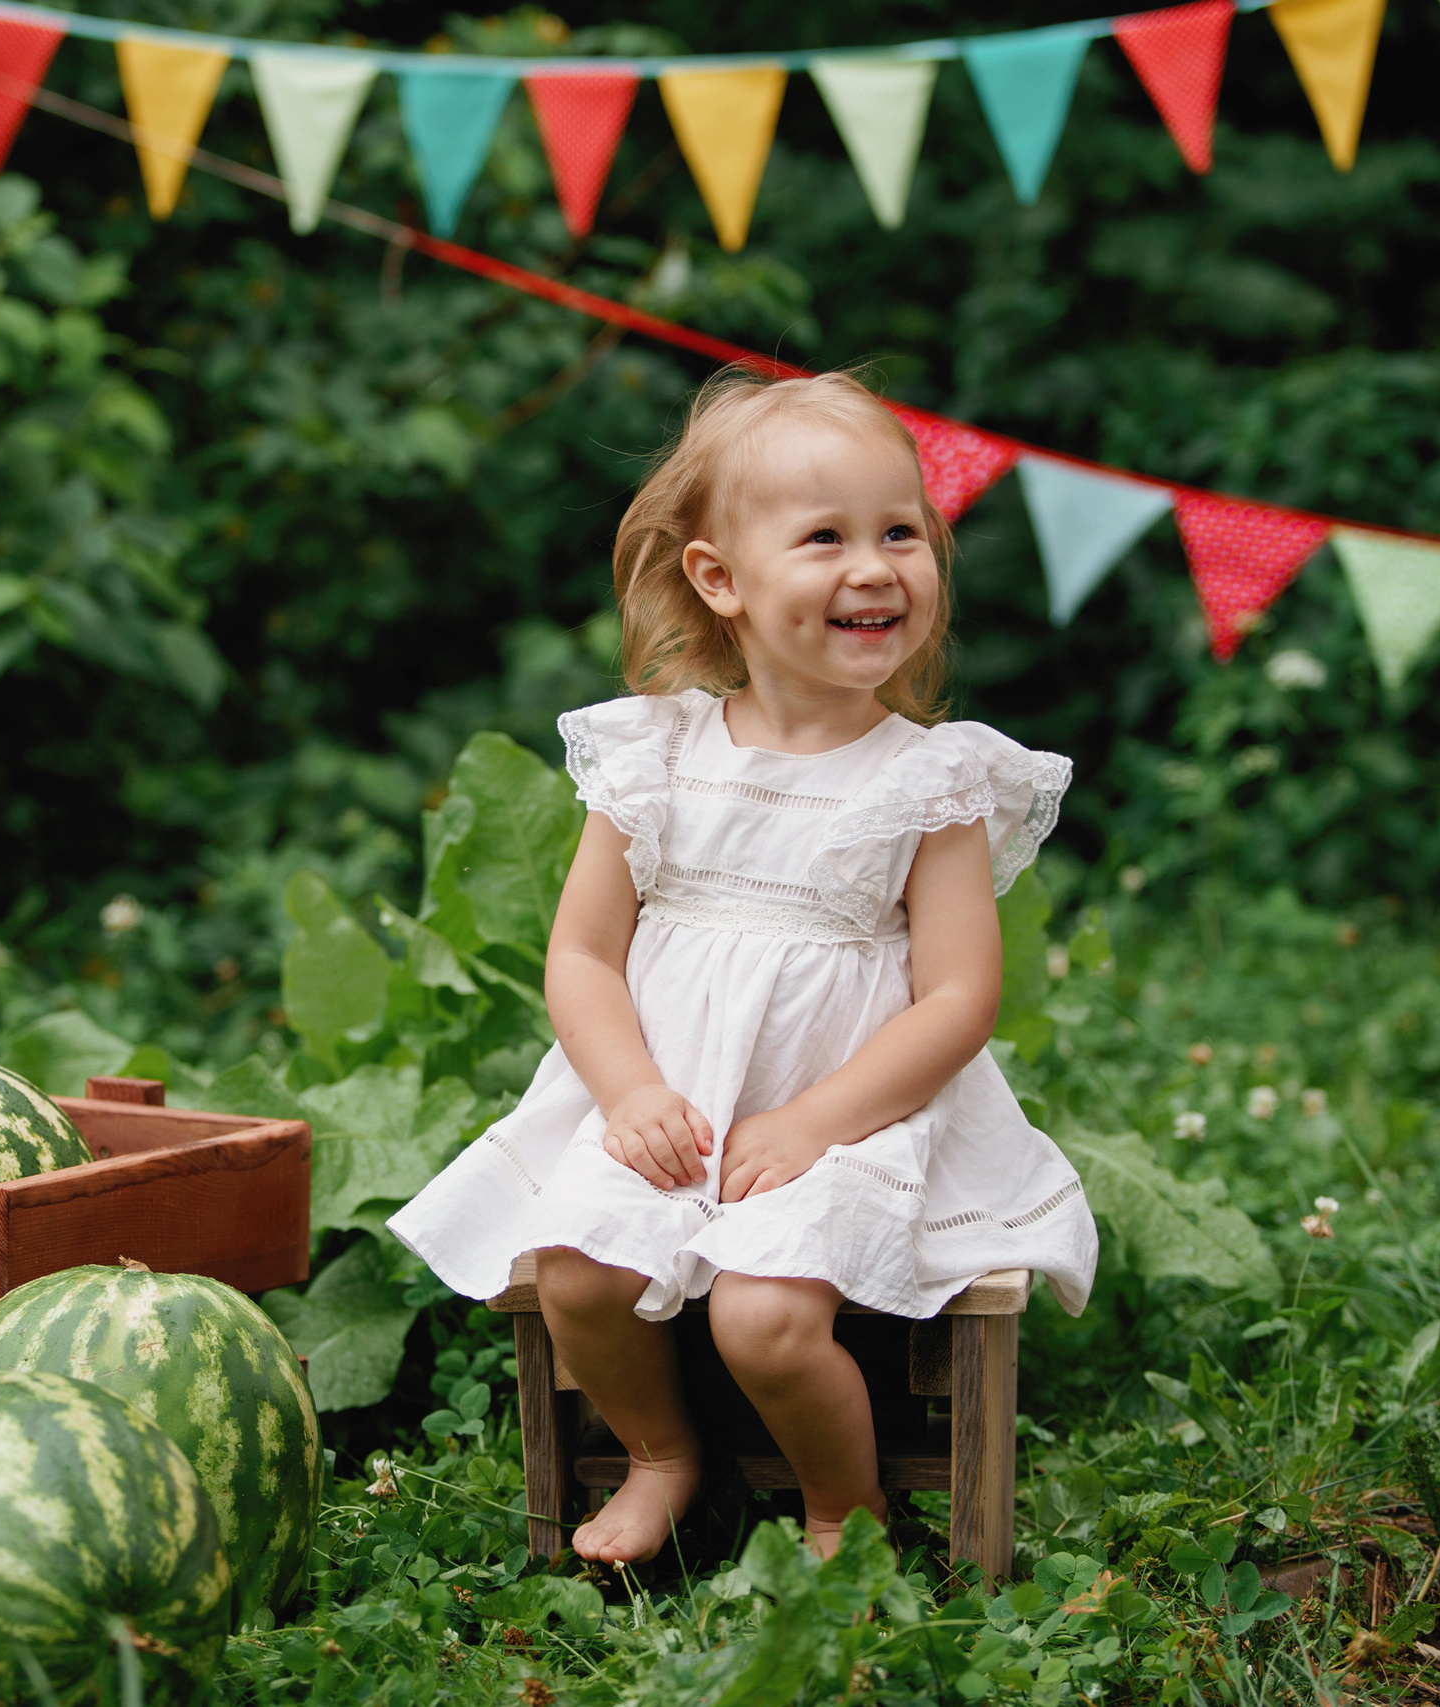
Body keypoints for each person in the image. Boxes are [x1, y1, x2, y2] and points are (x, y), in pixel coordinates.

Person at [388, 367, 1098, 1565]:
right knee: (579, 1278)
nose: (875, 567)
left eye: (901, 533)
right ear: (719, 578)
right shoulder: (652, 755)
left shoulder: (933, 780)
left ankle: (842, 1507)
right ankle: (666, 1453)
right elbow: (582, 954)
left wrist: (818, 1122)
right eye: (825, 537)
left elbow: (962, 997)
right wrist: (629, 1097)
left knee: (769, 1318)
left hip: (853, 1115)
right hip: (672, 1105)